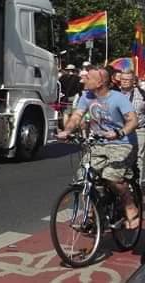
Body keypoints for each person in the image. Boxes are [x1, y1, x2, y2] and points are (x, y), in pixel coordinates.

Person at [57, 68, 139, 228]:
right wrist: (67, 131)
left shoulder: (118, 98)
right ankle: (92, 214)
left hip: (122, 144)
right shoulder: (86, 97)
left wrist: (119, 133)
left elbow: (133, 121)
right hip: (98, 144)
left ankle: (129, 205)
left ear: (100, 82)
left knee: (111, 176)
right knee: (83, 176)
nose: (83, 80)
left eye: (88, 78)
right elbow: (77, 116)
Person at [119, 70, 145, 186]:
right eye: (123, 79)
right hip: (121, 131)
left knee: (139, 157)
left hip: (139, 130)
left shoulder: (142, 94)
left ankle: (138, 184)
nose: (124, 82)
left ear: (134, 81)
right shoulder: (115, 94)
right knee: (122, 156)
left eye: (127, 80)